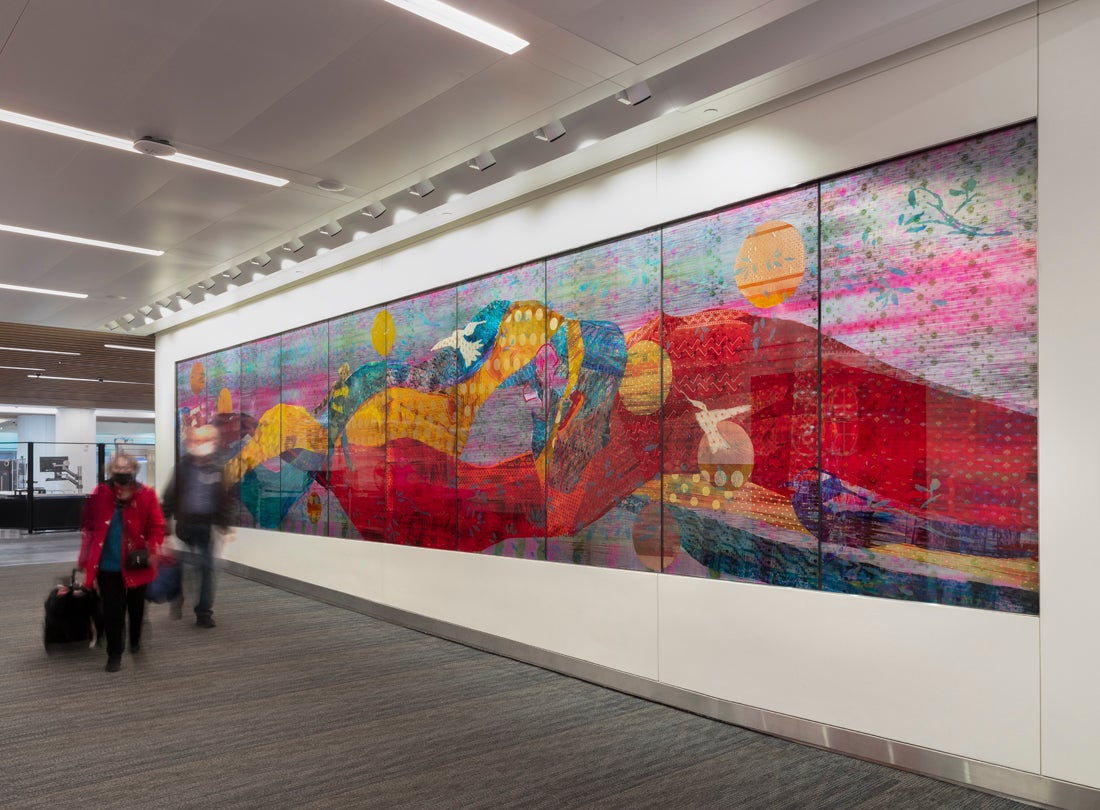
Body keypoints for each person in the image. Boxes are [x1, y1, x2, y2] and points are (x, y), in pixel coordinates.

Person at [78, 452, 165, 673]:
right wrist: (85, 559)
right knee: (112, 610)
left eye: (127, 468)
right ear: (111, 470)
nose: (122, 471)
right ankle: (114, 654)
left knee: (136, 608)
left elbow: (157, 525)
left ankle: (135, 640)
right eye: (118, 468)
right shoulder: (100, 492)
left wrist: (153, 547)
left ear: (134, 470)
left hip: (137, 563)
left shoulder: (146, 494)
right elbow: (88, 526)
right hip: (107, 564)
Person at [161, 424, 234, 628]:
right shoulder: (182, 468)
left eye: (207, 440)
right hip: (185, 525)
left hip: (206, 526)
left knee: (206, 568)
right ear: (191, 443)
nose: (202, 444)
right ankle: (177, 596)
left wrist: (224, 525)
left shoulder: (217, 469)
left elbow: (223, 499)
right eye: (198, 440)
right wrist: (164, 526)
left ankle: (203, 612)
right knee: (183, 567)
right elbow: (169, 498)